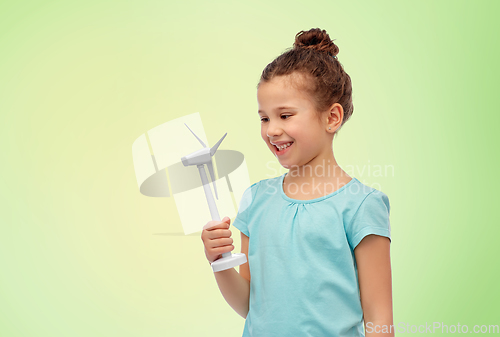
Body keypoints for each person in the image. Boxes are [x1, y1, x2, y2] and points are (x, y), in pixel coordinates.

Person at [201, 28, 394, 337]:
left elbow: (379, 320)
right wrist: (219, 261)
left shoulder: (361, 205)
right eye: (264, 118)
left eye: (285, 115)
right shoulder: (255, 200)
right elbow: (250, 306)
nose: (271, 130)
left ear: (332, 118)